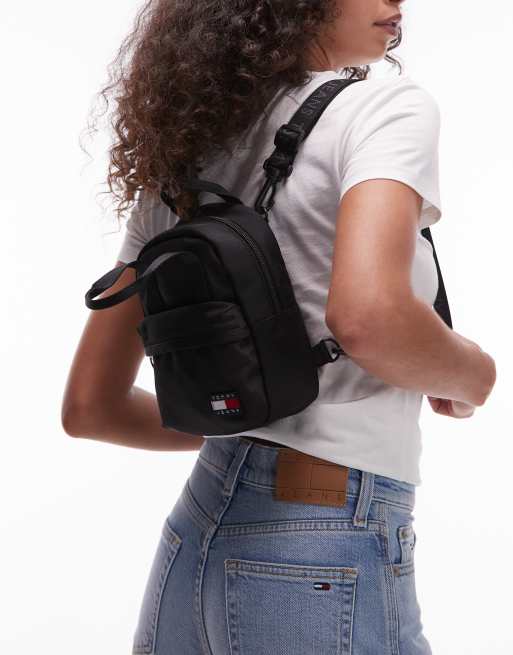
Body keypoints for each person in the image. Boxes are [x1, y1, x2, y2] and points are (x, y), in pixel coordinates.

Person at [62, 1, 497, 653]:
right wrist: (472, 373)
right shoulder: (380, 108)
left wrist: (251, 433)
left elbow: (91, 408)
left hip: (197, 530)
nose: (395, 1)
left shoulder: (190, 143)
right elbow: (368, 318)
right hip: (320, 540)